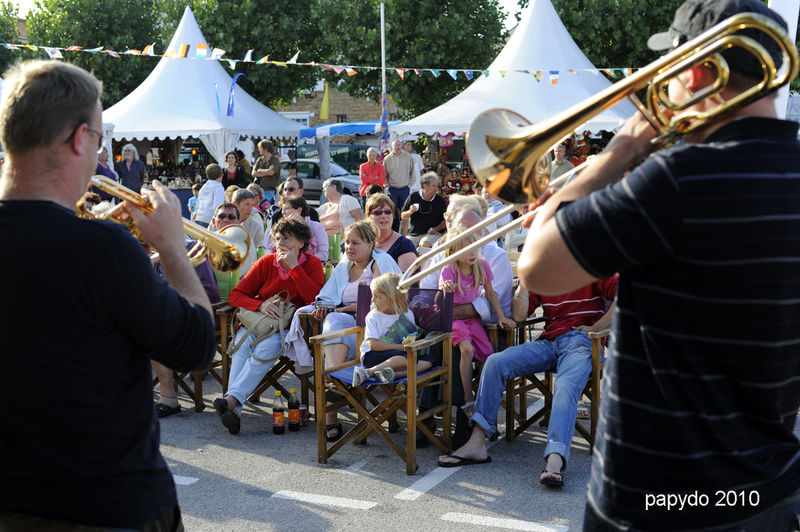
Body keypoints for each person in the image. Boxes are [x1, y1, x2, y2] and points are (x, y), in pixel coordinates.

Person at [519, 0, 800, 529]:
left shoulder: (676, 179)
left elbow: (537, 266)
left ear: (693, 73)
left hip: (659, 501)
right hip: (772, 493)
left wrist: (619, 151)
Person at [0, 60, 215, 530]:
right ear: (80, 139)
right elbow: (197, 346)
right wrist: (174, 249)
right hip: (108, 505)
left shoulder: (96, 243)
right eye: (98, 140)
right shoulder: (104, 250)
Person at [437, 278, 617, 486]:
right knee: (496, 362)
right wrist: (525, 281)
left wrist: (595, 328)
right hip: (549, 341)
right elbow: (520, 315)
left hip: (581, 342)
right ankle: (477, 442)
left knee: (565, 385)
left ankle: (555, 459)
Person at [213, 218, 324, 434]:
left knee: (264, 350)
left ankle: (232, 401)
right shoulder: (266, 262)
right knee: (241, 351)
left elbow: (314, 299)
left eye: (287, 239)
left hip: (287, 327)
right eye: (278, 238)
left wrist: (294, 269)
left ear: (301, 242)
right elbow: (236, 295)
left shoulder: (312, 264)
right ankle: (233, 408)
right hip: (257, 321)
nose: (280, 243)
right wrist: (259, 305)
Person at [311, 220, 402, 441]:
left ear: (371, 244)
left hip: (375, 332)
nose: (349, 247)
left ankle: (334, 385)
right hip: (346, 328)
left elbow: (380, 301)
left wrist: (343, 308)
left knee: (332, 335)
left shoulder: (381, 262)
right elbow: (328, 296)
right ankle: (336, 382)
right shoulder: (344, 266)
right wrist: (324, 307)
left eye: (355, 243)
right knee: (332, 322)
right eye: (346, 243)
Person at [439, 226, 514, 410]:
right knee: (467, 350)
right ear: (454, 252)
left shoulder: (481, 265)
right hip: (453, 318)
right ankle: (467, 396)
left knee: (488, 354)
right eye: (467, 250)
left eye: (475, 248)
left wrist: (501, 316)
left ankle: (482, 393)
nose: (473, 254)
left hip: (472, 320)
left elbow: (490, 292)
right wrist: (445, 287)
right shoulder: (449, 269)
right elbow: (441, 294)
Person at [351, 272, 432, 385]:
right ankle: (369, 372)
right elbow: (373, 345)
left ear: (393, 298)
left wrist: (405, 348)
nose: (373, 300)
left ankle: (392, 375)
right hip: (372, 356)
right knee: (408, 359)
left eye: (378, 296)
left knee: (428, 360)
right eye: (373, 295)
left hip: (397, 357)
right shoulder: (373, 316)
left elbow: (411, 338)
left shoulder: (407, 314)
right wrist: (402, 348)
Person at [366, 193, 417, 271]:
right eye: (378, 212)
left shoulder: (404, 245)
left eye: (388, 212)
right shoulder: (362, 241)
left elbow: (407, 281)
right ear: (368, 217)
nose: (384, 216)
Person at [273, 196, 328, 262]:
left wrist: (300, 260)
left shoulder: (316, 226)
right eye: (282, 209)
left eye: (286, 209)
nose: (282, 212)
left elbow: (324, 255)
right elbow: (269, 249)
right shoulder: (281, 227)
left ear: (299, 210)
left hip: (308, 266)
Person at [401, 171, 447, 247]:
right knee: (406, 246)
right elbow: (403, 216)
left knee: (424, 244)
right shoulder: (413, 197)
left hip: (433, 234)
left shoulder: (439, 200)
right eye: (434, 186)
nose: (436, 188)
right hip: (414, 234)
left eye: (436, 186)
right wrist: (410, 211)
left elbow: (445, 219)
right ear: (425, 186)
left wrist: (435, 229)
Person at [232, 188, 265, 277]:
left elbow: (259, 254)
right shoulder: (221, 220)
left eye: (252, 205)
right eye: (247, 204)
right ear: (235, 204)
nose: (250, 209)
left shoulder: (256, 227)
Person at [382, 140, 414, 231]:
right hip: (392, 189)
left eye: (399, 145)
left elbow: (412, 172)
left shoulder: (408, 157)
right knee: (393, 212)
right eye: (395, 145)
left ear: (401, 146)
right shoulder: (387, 159)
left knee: (405, 212)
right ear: (392, 147)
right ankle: (394, 231)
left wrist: (410, 185)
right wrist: (387, 186)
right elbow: (385, 175)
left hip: (405, 188)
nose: (398, 147)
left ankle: (404, 233)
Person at [195, 163, 225, 227]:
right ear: (220, 175)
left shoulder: (204, 187)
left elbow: (198, 203)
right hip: (209, 220)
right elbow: (218, 206)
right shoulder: (219, 188)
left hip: (199, 218)